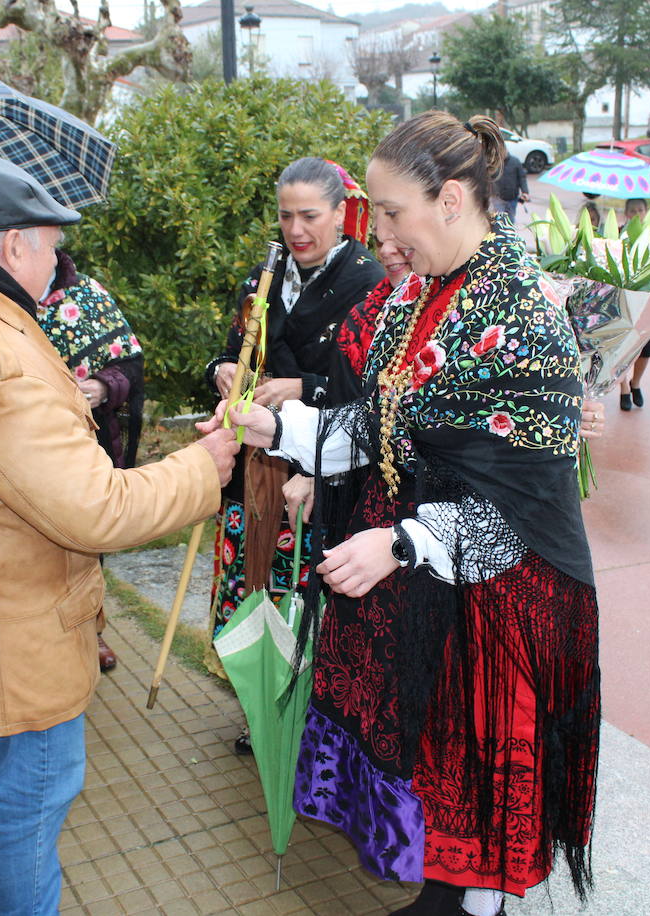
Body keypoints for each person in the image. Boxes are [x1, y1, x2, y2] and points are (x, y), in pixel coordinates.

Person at [205, 112, 601, 916]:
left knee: (483, 765)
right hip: (427, 577)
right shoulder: (415, 295)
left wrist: (405, 541)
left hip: (498, 596)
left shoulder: (525, 312)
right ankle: (448, 892)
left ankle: (469, 901)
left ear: (451, 198)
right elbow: (378, 425)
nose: (379, 234)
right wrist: (276, 428)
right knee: (437, 752)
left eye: (390, 213)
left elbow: (527, 509)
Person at [0, 151, 238, 916]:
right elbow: (97, 510)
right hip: (12, 630)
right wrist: (203, 466)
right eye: (53, 246)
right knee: (26, 800)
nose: (58, 263)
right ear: (14, 243)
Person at [203, 157, 385, 753]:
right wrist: (224, 370)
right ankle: (263, 707)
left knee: (310, 595)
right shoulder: (266, 275)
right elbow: (232, 352)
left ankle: (312, 720)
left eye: (310, 215)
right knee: (254, 584)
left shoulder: (369, 281)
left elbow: (378, 392)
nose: (296, 229)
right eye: (286, 216)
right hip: (256, 466)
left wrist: (306, 390)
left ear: (341, 212)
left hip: (321, 468)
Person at [35, 250, 146, 672]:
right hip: (23, 446)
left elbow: (130, 364)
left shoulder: (87, 293)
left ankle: (92, 630)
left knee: (86, 541)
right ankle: (46, 636)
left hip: (86, 443)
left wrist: (102, 385)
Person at [618, 198, 650, 411]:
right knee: (620, 349)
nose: (637, 214)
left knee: (646, 349)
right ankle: (622, 387)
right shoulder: (617, 234)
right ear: (626, 213)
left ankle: (636, 382)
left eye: (641, 210)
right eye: (633, 211)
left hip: (646, 302)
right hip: (623, 300)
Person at [490, 153, 530, 223]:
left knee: (510, 220)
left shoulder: (515, 161)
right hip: (497, 198)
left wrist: (525, 192)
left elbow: (522, 178)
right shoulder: (492, 162)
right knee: (499, 221)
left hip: (512, 198)